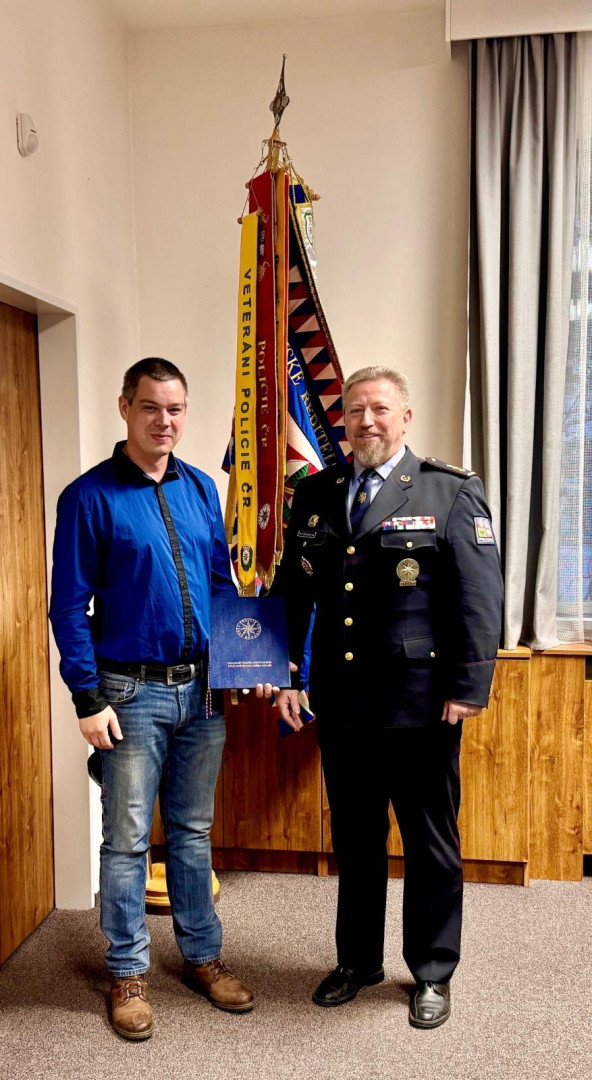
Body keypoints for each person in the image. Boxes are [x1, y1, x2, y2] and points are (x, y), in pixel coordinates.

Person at [271, 365, 503, 1029]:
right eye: (354, 411)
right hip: (342, 704)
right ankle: (357, 962)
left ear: (405, 417)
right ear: (342, 421)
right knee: (356, 840)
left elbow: (480, 597)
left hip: (421, 704)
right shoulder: (317, 492)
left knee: (430, 843)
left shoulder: (448, 489)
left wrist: (469, 686)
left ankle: (431, 971)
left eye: (379, 409)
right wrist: (286, 674)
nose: (366, 421)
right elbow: (294, 591)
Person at [49, 357, 254, 1040]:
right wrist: (86, 698)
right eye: (150, 408)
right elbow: (68, 607)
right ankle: (128, 972)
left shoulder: (200, 488)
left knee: (192, 832)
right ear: (125, 408)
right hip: (129, 692)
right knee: (128, 840)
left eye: (175, 409)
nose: (164, 421)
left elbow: (221, 587)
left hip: (202, 693)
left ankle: (202, 957)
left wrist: (241, 659)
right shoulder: (89, 497)